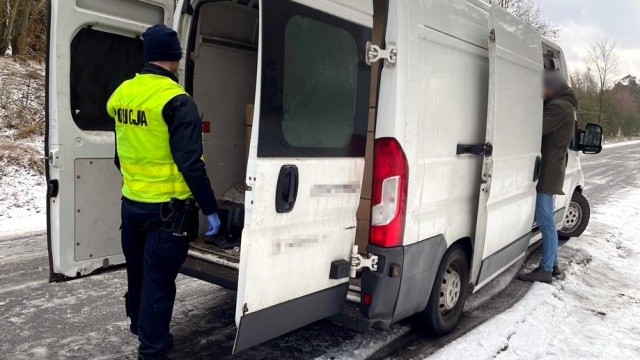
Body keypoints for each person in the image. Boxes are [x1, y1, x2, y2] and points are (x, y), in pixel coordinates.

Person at [107, 24, 222, 360]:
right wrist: (210, 209)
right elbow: (191, 164)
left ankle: (142, 327)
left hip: (132, 205)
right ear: (176, 58)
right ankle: (152, 349)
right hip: (168, 213)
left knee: (138, 272)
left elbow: (120, 154)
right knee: (158, 282)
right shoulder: (178, 101)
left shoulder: (124, 94)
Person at [518, 70, 578, 284]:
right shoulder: (565, 106)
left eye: (543, 88)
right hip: (553, 169)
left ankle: (545, 269)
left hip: (548, 171)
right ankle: (552, 265)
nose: (540, 92)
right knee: (547, 219)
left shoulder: (558, 107)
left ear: (551, 88)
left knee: (545, 221)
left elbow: (534, 128)